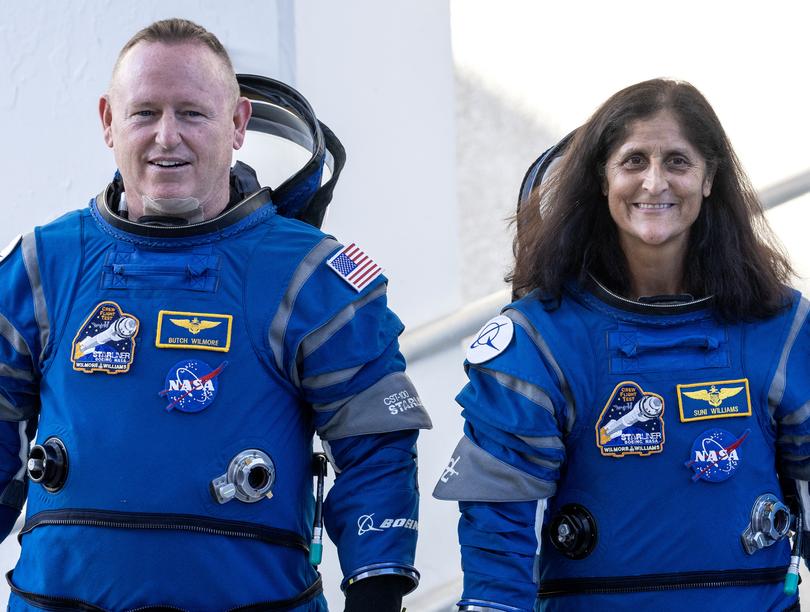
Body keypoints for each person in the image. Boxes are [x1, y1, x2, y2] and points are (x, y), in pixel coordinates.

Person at [0, 18, 431, 611]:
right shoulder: (41, 267)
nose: (166, 137)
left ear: (238, 124)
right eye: (144, 112)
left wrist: (376, 591)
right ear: (108, 121)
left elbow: (377, 449)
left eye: (193, 113)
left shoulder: (309, 277)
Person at [434, 78, 810, 611]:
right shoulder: (540, 340)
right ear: (602, 179)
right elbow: (497, 539)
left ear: (709, 179)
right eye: (633, 161)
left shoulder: (781, 326)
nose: (654, 183)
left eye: (678, 162)